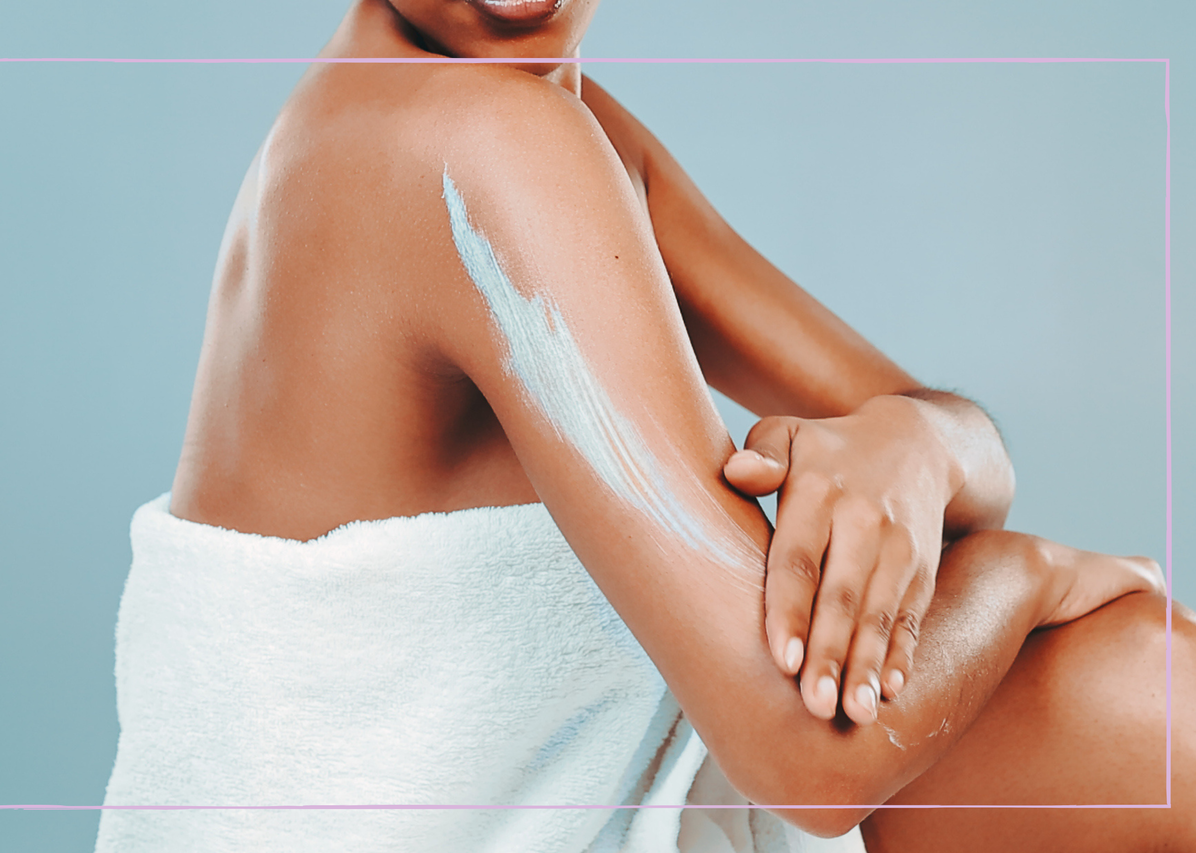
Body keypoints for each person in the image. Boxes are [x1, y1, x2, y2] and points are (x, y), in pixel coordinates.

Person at [97, 1, 1194, 851]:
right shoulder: (468, 137)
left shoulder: (518, 121)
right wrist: (1031, 574)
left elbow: (958, 449)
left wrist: (906, 449)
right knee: (1142, 688)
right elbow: (803, 756)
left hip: (589, 812)